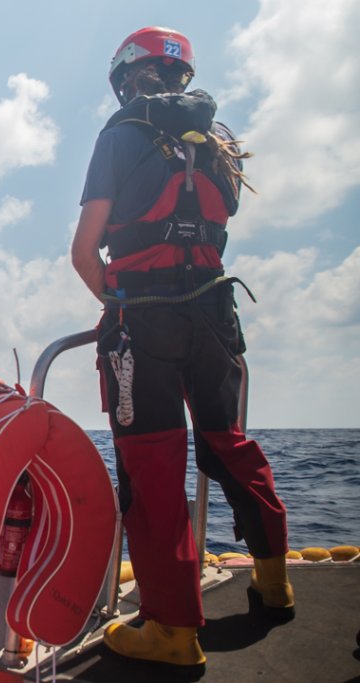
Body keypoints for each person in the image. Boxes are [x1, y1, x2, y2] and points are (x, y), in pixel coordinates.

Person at [70, 27, 293, 671]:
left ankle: (172, 631)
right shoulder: (220, 145)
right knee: (230, 442)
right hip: (214, 313)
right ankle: (273, 584)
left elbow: (86, 252)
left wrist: (117, 303)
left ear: (126, 78)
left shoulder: (119, 136)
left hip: (145, 318)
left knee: (154, 465)